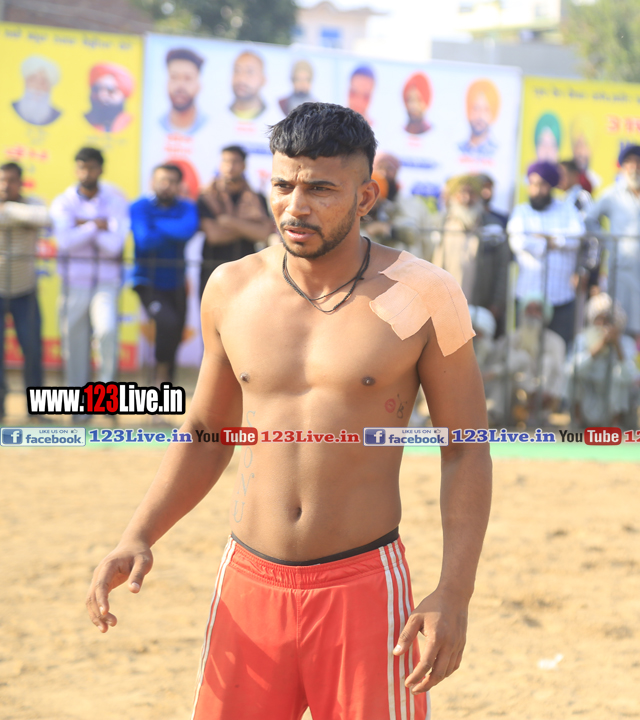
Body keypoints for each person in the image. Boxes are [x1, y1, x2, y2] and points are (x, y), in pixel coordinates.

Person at [85, 102, 490, 718]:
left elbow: (465, 449)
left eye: (321, 189)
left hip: (364, 586)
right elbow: (207, 430)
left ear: (366, 196)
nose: (295, 207)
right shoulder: (231, 288)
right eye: (282, 185)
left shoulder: (425, 294)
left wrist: (454, 592)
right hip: (247, 582)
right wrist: (139, 533)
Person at [50, 147, 129, 393]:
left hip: (106, 281)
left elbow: (114, 246)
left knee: (107, 331)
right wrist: (97, 225)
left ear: (101, 169)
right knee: (74, 344)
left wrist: (81, 225)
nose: (86, 173)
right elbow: (65, 241)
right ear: (76, 169)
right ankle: (78, 401)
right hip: (73, 281)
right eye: (82, 167)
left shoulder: (115, 200)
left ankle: (105, 397)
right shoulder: (63, 201)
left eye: (91, 167)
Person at [584, 144, 640, 341]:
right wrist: (607, 240)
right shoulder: (612, 194)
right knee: (620, 319)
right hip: (622, 270)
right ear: (623, 167)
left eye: (639, 163)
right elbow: (589, 220)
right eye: (629, 163)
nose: (634, 167)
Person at [130, 164, 200, 386]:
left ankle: (166, 385)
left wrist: (157, 224)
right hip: (147, 281)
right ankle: (159, 378)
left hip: (177, 282)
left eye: (172, 181)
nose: (166, 185)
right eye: (162, 180)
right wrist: (172, 230)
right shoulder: (139, 207)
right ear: (152, 182)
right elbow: (144, 240)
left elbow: (187, 230)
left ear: (179, 185)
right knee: (167, 323)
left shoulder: (187, 207)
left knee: (176, 332)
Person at [507, 161, 584, 348]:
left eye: (542, 184)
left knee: (559, 348)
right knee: (526, 350)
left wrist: (542, 238)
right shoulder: (521, 211)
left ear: (551, 186)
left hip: (560, 296)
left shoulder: (567, 209)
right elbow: (519, 242)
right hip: (528, 298)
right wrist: (552, 241)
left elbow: (577, 237)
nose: (536, 190)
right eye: (532, 184)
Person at [0, 162, 49, 419]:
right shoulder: (26, 209)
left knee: (32, 350)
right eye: (2, 180)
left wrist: (8, 211)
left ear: (21, 182)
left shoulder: (33, 202)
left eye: (11, 180)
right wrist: (21, 219)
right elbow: (32, 218)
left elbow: (45, 217)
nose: (5, 185)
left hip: (25, 291)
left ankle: (37, 410)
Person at [431, 175, 509, 332]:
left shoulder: (492, 226)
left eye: (472, 193)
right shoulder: (442, 223)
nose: (467, 198)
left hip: (481, 307)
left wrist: (497, 303)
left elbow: (502, 267)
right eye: (462, 193)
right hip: (448, 305)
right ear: (454, 196)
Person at [197, 145, 278, 298]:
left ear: (244, 165)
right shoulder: (207, 197)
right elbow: (214, 236)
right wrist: (249, 229)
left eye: (235, 162)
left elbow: (264, 234)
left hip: (247, 271)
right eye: (225, 161)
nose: (229, 167)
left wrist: (229, 222)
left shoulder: (257, 198)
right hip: (212, 270)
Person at [565, 293, 639, 427]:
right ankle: (577, 422)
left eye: (607, 320)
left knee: (619, 377)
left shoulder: (626, 343)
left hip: (612, 400)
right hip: (588, 398)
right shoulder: (582, 340)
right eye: (598, 319)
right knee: (573, 376)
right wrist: (598, 347)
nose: (602, 325)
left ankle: (615, 424)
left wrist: (617, 346)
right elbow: (572, 370)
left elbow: (630, 377)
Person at [489, 295, 566, 423]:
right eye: (529, 309)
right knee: (514, 362)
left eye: (537, 310)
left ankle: (539, 415)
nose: (532, 314)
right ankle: (496, 415)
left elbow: (559, 373)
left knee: (547, 361)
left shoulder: (556, 342)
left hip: (543, 395)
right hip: (515, 393)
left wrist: (550, 394)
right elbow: (496, 367)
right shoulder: (511, 339)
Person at [369, 152, 432, 259]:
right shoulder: (362, 207)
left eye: (389, 168)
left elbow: (427, 244)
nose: (384, 173)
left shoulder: (415, 206)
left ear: (397, 171)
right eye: (379, 167)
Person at [161, 48, 208, 136]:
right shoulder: (156, 125)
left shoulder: (209, 127)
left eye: (187, 78)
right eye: (174, 77)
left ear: (199, 85)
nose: (180, 86)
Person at [85, 62, 134, 133]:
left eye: (110, 90)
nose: (101, 96)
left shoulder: (132, 123)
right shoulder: (87, 120)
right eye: (97, 89)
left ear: (122, 93)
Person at [13, 55, 61, 126]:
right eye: (33, 80)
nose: (37, 87)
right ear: (26, 81)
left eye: (43, 82)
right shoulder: (13, 107)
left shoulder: (56, 115)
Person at [459, 79, 499, 157]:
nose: (480, 116)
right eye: (476, 108)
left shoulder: (497, 151)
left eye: (486, 110)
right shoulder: (458, 148)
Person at [229, 51, 267, 120]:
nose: (241, 79)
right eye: (237, 71)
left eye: (249, 72)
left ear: (263, 80)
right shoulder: (216, 116)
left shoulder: (277, 118)